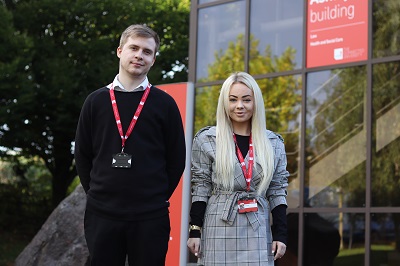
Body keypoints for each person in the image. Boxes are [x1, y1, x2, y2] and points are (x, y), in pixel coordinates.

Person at [74, 24, 186, 266]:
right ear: (119, 51)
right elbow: (82, 155)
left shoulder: (165, 104)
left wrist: (154, 197)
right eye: (133, 48)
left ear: (153, 60)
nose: (139, 55)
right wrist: (96, 193)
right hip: (102, 213)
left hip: (150, 215)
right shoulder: (95, 101)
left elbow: (176, 160)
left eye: (147, 51)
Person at [187, 72, 289, 265]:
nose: (239, 106)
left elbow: (277, 190)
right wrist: (195, 230)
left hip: (257, 226)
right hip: (218, 225)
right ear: (224, 103)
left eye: (246, 99)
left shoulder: (273, 143)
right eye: (233, 100)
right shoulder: (206, 140)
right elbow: (201, 186)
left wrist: (281, 234)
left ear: (255, 102)